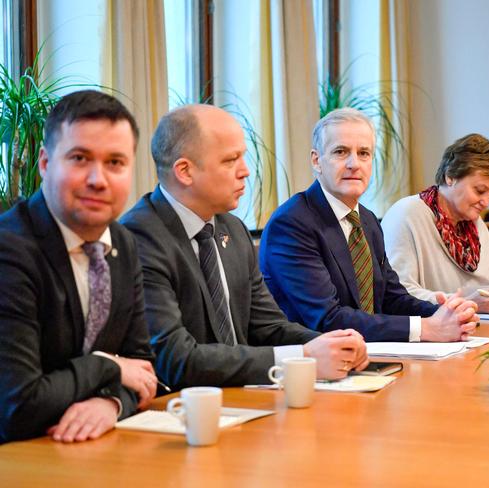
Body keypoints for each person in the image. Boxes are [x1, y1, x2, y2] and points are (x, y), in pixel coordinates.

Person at [120, 104, 368, 389]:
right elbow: (176, 360)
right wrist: (303, 357)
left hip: (249, 400)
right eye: (230, 160)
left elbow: (268, 327)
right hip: (181, 411)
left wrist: (332, 345)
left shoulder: (233, 229)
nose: (246, 172)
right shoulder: (140, 237)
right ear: (185, 171)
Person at [0, 90, 157, 444]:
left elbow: (144, 371)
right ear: (45, 163)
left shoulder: (122, 242)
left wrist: (111, 402)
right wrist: (108, 365)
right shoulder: (10, 250)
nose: (97, 180)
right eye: (80, 158)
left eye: (115, 162)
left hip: (86, 451)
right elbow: (18, 407)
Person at [259, 108, 479, 342]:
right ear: (317, 160)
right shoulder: (292, 223)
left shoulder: (367, 220)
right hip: (312, 364)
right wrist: (426, 328)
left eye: (363, 153)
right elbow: (327, 319)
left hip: (368, 355)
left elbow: (391, 298)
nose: (354, 163)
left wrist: (446, 315)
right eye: (341, 152)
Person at [381, 133, 489, 314]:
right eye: (480, 191)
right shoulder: (406, 214)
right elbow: (398, 295)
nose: (486, 202)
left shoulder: (475, 222)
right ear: (450, 177)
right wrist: (465, 303)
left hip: (472, 324)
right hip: (431, 329)